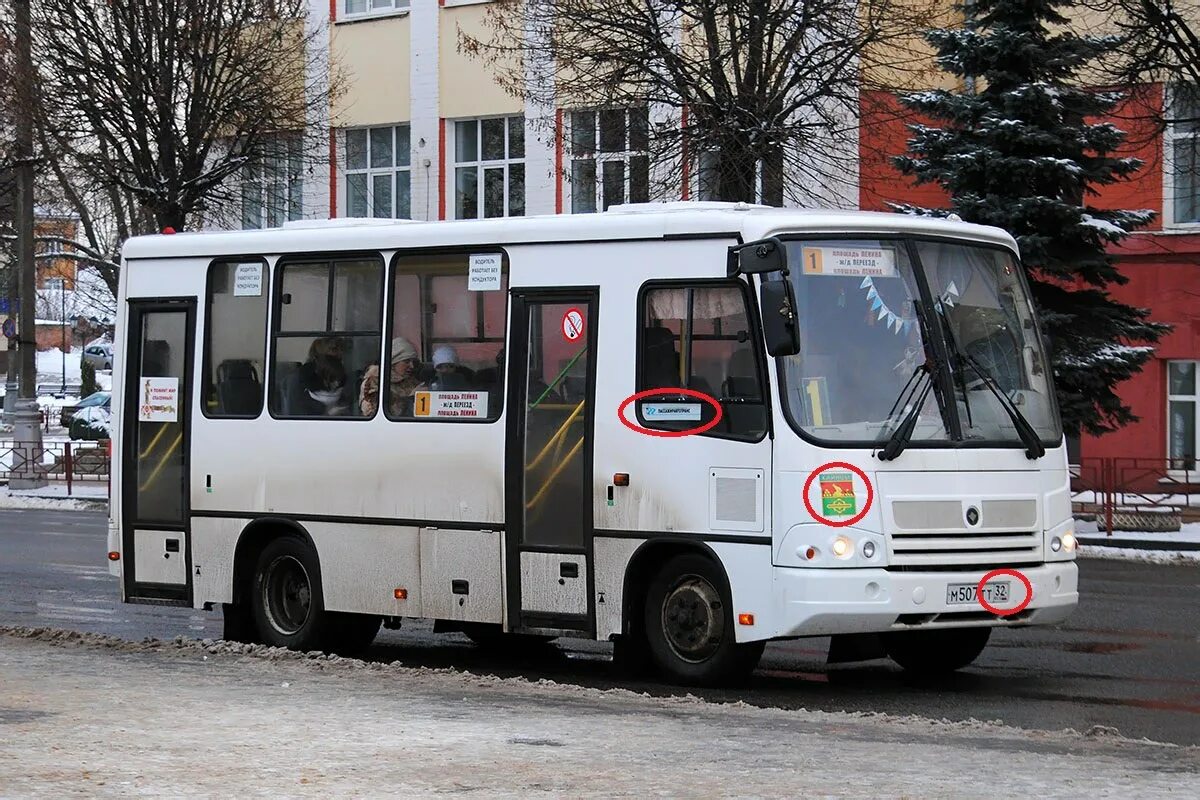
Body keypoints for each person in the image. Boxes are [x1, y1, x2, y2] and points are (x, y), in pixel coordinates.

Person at [360, 336, 426, 416]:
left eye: (413, 362)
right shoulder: (375, 381)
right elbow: (374, 413)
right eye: (406, 361)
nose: (411, 366)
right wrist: (410, 398)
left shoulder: (410, 380)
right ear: (394, 362)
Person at [286, 337, 351, 416]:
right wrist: (327, 414)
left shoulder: (340, 382)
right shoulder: (299, 382)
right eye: (335, 350)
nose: (340, 356)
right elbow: (297, 415)